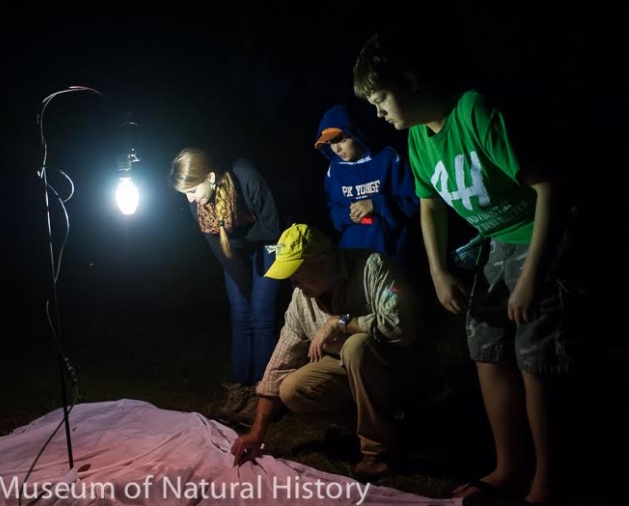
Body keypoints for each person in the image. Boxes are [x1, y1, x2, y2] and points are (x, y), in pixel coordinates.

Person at [353, 32, 575, 504]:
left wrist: (532, 276)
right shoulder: (417, 137)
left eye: (380, 98)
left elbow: (549, 186)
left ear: (409, 82)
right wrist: (437, 271)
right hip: (495, 241)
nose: (377, 112)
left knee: (534, 356)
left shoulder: (475, 110)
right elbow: (429, 205)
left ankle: (547, 482)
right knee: (486, 347)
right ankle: (508, 467)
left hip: (537, 233)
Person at [230, 223, 429, 477]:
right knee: (291, 389)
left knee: (355, 346)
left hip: (399, 367)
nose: (293, 283)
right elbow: (280, 362)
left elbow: (402, 327)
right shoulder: (301, 299)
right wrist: (257, 431)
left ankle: (377, 452)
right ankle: (379, 425)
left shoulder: (373, 267)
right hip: (352, 372)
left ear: (322, 262)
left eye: (296, 273)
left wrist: (344, 322)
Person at [171, 148, 286, 423]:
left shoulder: (245, 176)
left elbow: (273, 225)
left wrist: (242, 240)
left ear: (209, 177)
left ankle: (264, 394)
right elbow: (219, 249)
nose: (189, 199)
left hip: (268, 243)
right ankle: (239, 388)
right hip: (234, 250)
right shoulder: (195, 202)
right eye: (184, 193)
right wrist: (244, 284)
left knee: (261, 318)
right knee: (241, 316)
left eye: (192, 190)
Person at [313, 104, 419, 265]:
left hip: (390, 255)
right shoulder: (334, 170)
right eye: (328, 143)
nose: (336, 148)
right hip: (352, 256)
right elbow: (333, 212)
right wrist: (346, 215)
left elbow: (413, 203)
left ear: (354, 133)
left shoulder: (388, 158)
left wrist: (377, 204)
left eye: (339, 139)